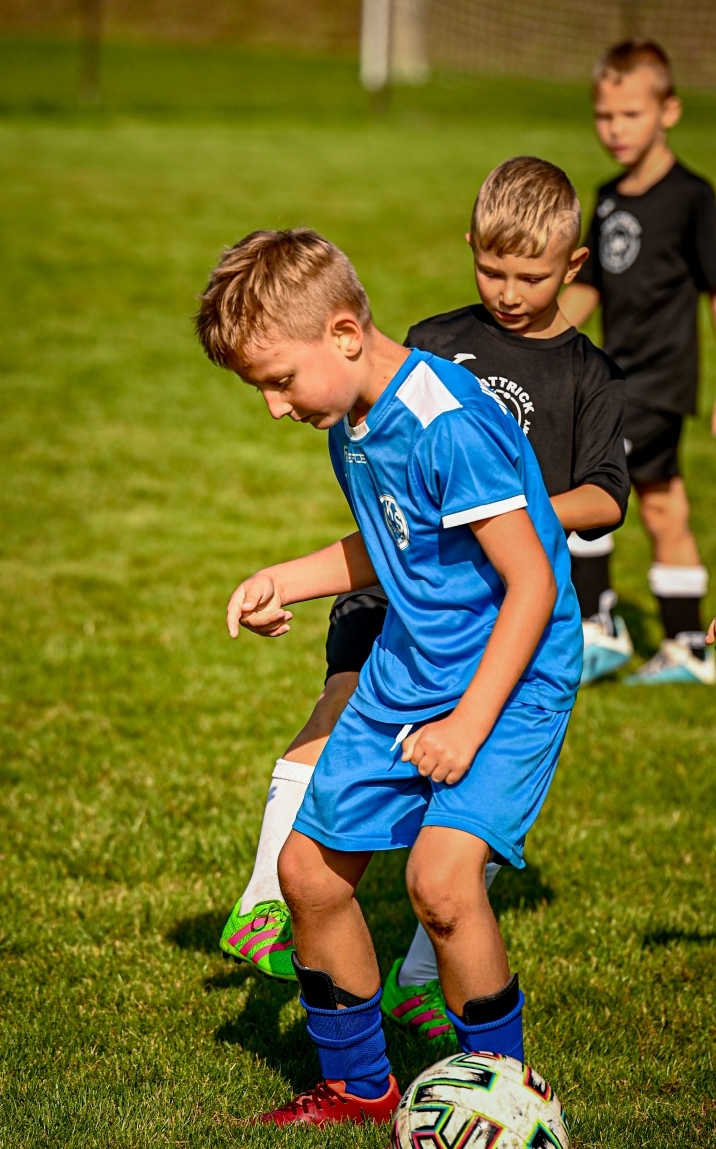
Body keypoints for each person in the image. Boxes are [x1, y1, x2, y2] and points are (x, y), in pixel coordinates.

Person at [219, 159, 628, 1045]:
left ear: (344, 334)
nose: (274, 408)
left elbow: (533, 581)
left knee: (441, 885)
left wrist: (469, 725)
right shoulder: (357, 419)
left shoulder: (447, 422)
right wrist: (285, 577)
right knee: (310, 875)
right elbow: (400, 540)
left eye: (281, 380)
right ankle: (354, 1090)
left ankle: (505, 1091)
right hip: (414, 661)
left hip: (505, 679)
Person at [562, 39, 716, 685]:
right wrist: (518, 334)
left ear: (669, 111)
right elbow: (589, 288)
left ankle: (598, 625)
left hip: (659, 380)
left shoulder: (693, 198)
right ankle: (689, 645)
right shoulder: (605, 198)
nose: (616, 129)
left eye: (631, 114)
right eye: (605, 115)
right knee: (661, 505)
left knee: (582, 476)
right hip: (615, 374)